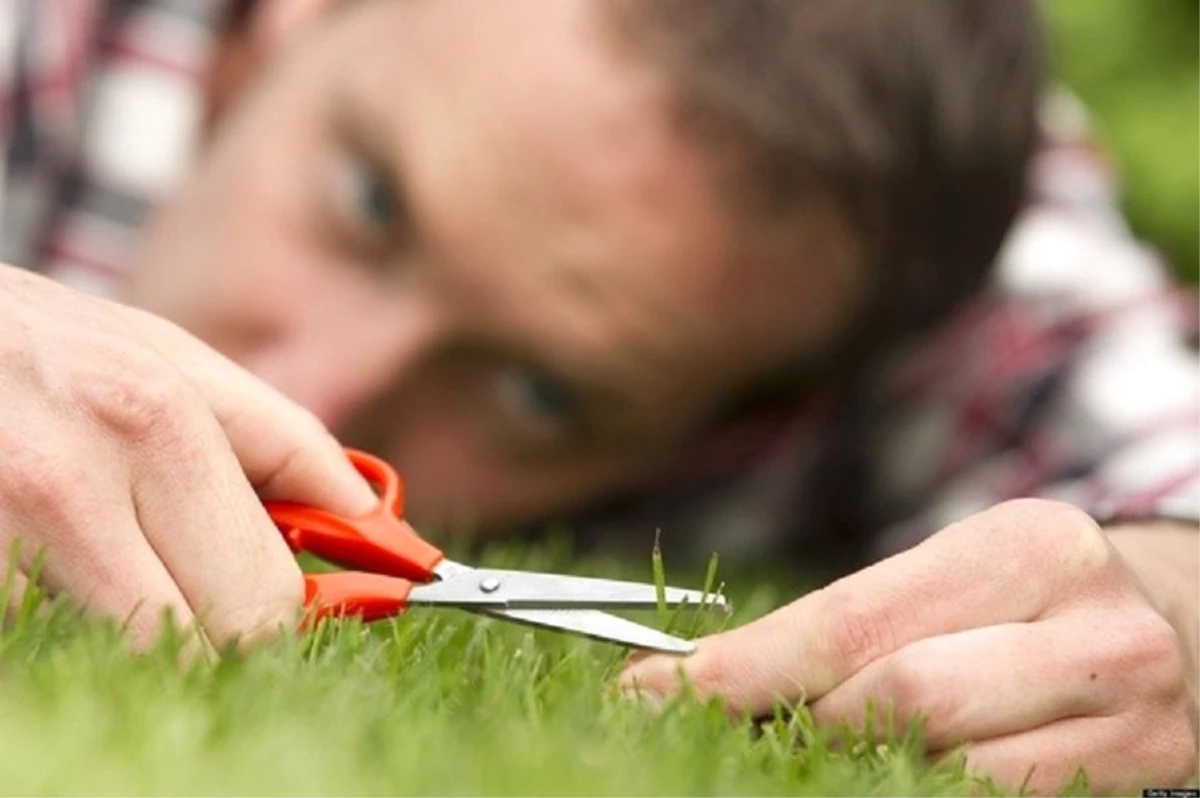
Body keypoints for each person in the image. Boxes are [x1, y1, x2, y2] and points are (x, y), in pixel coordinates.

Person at [2, 0, 1198, 791]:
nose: (308, 388)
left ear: (746, 425)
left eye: (537, 392)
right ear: (296, 19)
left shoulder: (914, 240)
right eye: (371, 203)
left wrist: (1162, 627)